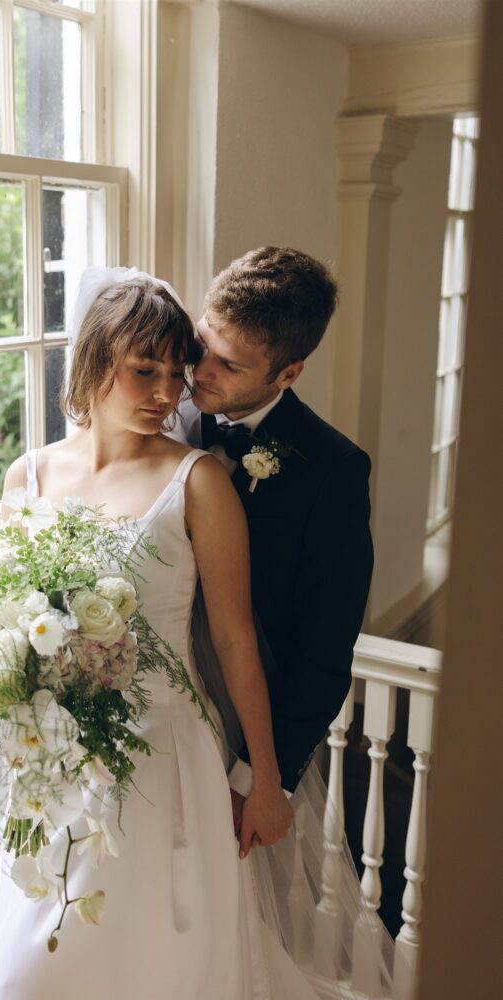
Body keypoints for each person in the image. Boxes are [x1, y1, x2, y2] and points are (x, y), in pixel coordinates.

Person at [0, 271, 349, 1000]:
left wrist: (266, 777)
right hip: (56, 754)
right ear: (93, 360)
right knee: (32, 977)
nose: (167, 393)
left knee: (164, 969)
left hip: (165, 756)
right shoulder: (31, 473)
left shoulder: (199, 479)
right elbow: (3, 617)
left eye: (176, 374)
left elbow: (233, 637)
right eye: (145, 370)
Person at [171, 247, 373, 830]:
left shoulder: (332, 471)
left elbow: (325, 650)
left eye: (229, 365)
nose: (200, 371)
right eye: (202, 341)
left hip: (244, 731)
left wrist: (260, 778)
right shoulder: (155, 406)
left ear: (287, 373)